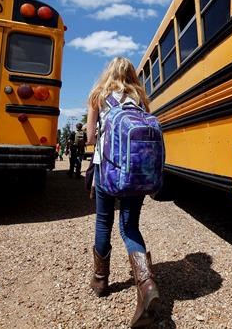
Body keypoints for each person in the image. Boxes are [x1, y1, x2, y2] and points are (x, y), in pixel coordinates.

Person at [85, 57, 159, 327]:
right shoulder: (139, 97)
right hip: (137, 173)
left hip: (107, 170)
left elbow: (90, 138)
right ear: (131, 74)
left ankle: (100, 280)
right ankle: (146, 284)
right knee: (130, 227)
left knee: (103, 221)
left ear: (109, 73)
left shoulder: (99, 95)